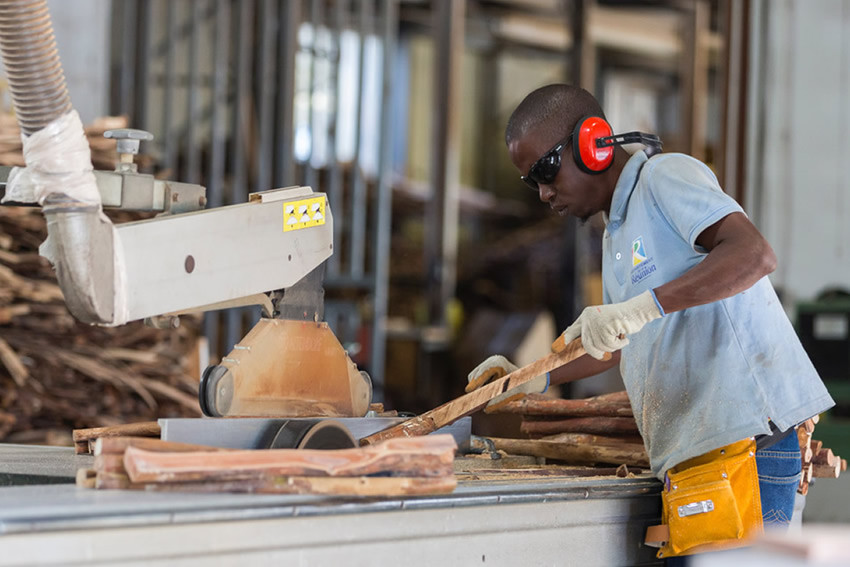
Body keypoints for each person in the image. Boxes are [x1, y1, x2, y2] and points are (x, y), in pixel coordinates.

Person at [466, 84, 834, 557]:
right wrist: (530, 380)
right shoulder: (615, 234)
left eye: (545, 170)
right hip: (703, 456)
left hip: (750, 446)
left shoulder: (665, 177)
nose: (543, 193)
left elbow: (755, 254)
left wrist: (642, 306)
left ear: (593, 143)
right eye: (531, 182)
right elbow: (617, 345)